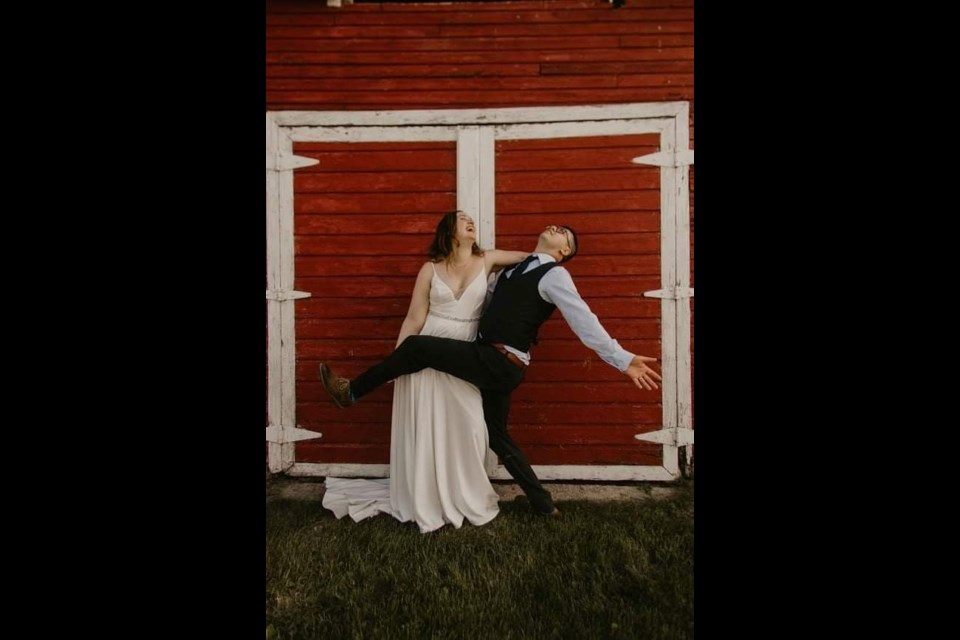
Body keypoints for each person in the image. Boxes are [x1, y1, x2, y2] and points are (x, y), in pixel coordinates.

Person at [320, 222, 662, 518]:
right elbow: (480, 308)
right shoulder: (512, 271)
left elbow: (584, 320)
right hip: (490, 359)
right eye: (556, 226)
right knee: (498, 436)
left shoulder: (555, 274)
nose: (557, 228)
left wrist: (622, 359)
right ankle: (543, 504)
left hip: (502, 362)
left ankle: (350, 392)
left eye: (565, 234)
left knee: (416, 347)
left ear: (564, 251)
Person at [322, 211, 529, 533]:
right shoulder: (430, 269)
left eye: (472, 219)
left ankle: (464, 494)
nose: (471, 221)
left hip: (464, 352)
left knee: (471, 426)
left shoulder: (488, 259)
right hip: (425, 347)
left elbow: (534, 261)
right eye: (463, 219)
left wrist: (558, 255)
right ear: (448, 231)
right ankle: (424, 495)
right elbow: (414, 319)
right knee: (427, 422)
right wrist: (397, 361)